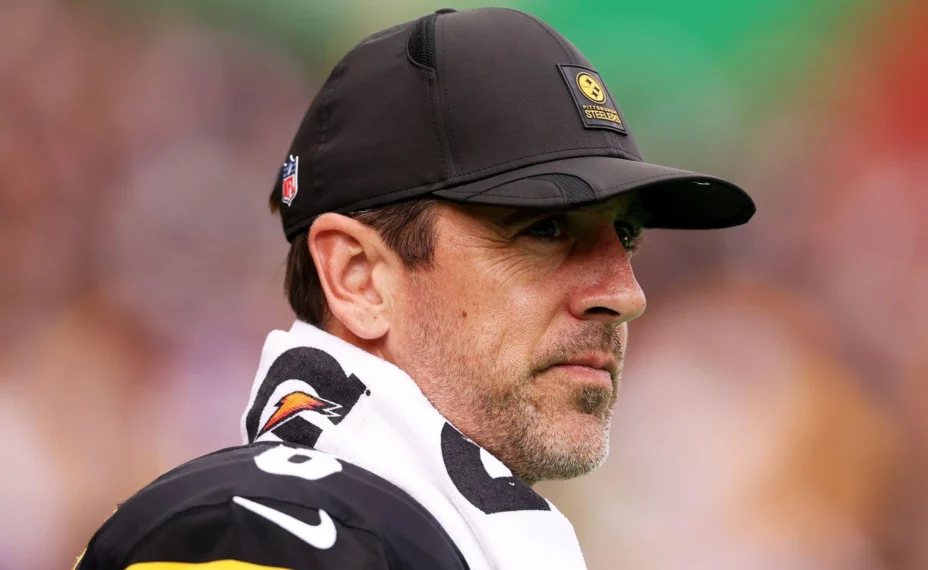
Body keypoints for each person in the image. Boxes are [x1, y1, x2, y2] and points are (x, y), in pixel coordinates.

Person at [75, 7, 754, 569]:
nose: (625, 292)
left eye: (626, 237)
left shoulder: (389, 533)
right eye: (546, 228)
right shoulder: (270, 533)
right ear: (357, 276)